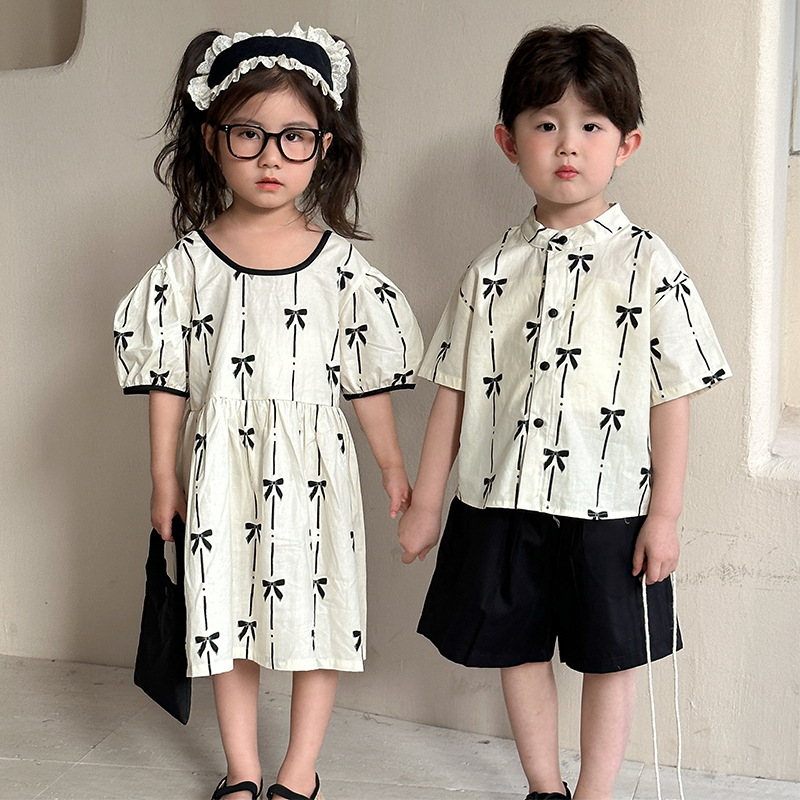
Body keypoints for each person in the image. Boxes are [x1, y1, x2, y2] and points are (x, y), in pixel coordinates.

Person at [398, 25, 730, 800]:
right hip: (503, 499)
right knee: (518, 648)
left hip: (611, 505)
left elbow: (672, 397)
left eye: (592, 125)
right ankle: (544, 786)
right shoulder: (489, 271)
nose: (568, 144)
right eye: (546, 124)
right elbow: (453, 390)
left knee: (611, 657)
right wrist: (425, 503)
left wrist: (665, 515)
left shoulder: (649, 264)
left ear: (627, 143)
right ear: (509, 142)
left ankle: (596, 792)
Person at [114, 24, 423, 800]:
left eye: (294, 137)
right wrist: (162, 476)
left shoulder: (340, 266)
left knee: (322, 614)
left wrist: (392, 465)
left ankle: (299, 771)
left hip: (316, 467)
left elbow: (366, 377)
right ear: (212, 139)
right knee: (227, 611)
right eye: (249, 134)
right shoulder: (189, 265)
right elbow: (168, 378)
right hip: (222, 465)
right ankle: (243, 769)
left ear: (325, 146)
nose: (271, 157)